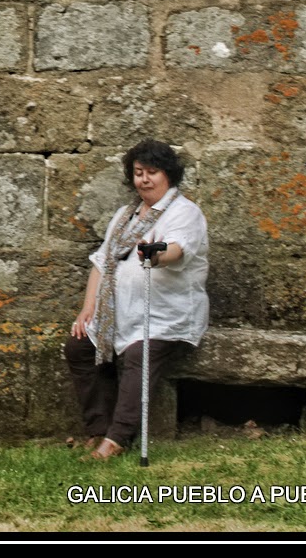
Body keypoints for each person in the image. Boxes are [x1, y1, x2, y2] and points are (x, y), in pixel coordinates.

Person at [63, 139, 209, 461]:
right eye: (138, 172)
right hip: (117, 311)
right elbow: (102, 262)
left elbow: (178, 249)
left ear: (168, 175)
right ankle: (97, 429)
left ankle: (117, 440)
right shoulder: (124, 215)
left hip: (163, 314)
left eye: (151, 172)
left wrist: (155, 256)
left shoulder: (185, 212)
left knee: (139, 354)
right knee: (79, 346)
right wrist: (88, 309)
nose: (143, 179)